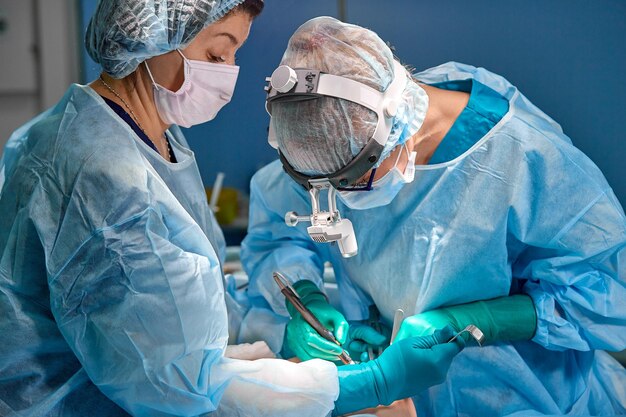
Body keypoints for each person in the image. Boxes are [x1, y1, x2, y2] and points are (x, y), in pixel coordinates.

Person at [0, 3, 465, 416]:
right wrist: (371, 383)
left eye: (235, 54)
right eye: (218, 54)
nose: (228, 72)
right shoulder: (106, 181)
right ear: (154, 38)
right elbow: (177, 385)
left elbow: (184, 314)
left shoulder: (139, 133)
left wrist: (282, 332)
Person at [241, 16, 626, 416]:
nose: (337, 197)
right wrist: (307, 298)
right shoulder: (330, 136)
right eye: (322, 186)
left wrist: (476, 323)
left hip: (528, 398)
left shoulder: (526, 159)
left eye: (351, 180)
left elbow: (607, 292)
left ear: (393, 131)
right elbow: (278, 233)